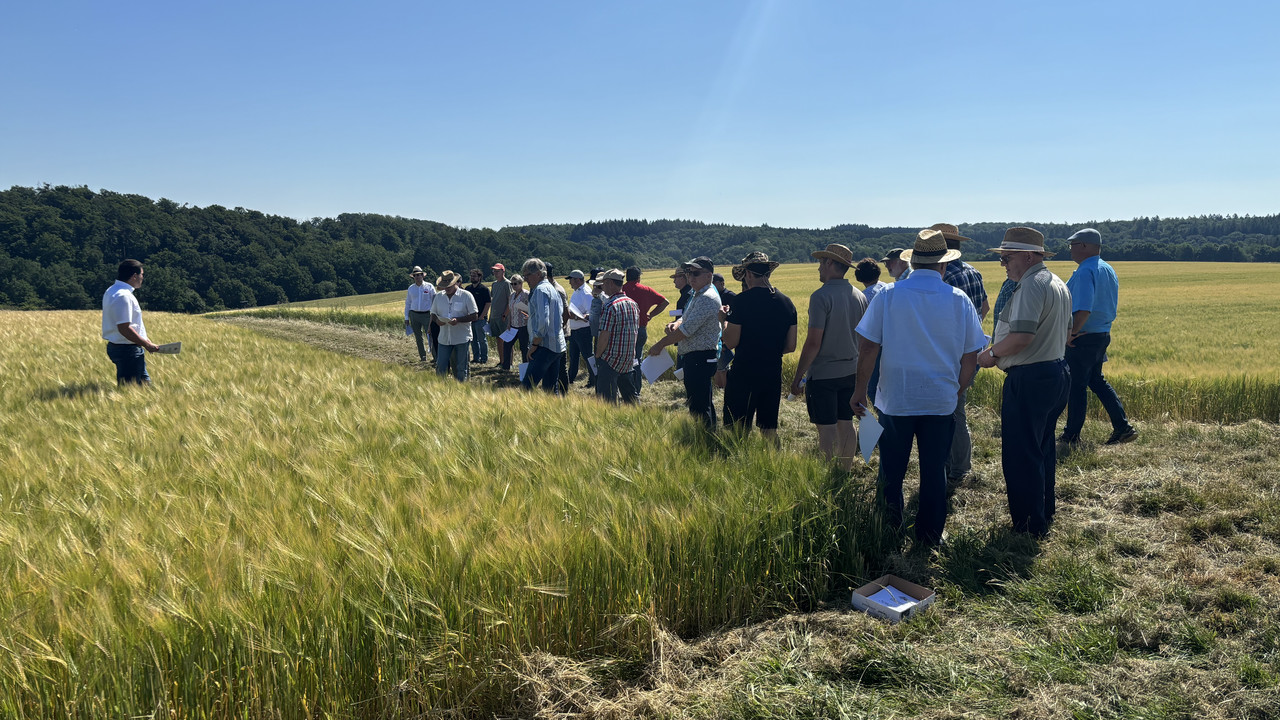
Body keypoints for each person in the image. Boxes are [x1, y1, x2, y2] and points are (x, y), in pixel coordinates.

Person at [851, 230, 985, 546]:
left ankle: (889, 528)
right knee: (934, 471)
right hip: (941, 400)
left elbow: (868, 348)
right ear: (943, 267)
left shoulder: (888, 296)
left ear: (914, 263)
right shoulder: (959, 299)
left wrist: (859, 391)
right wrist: (958, 391)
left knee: (891, 469)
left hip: (895, 398)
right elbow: (972, 356)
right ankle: (929, 536)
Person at [977, 227, 1072, 538]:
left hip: (1030, 377)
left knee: (1021, 455)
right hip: (1056, 372)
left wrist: (991, 353)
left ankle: (1029, 527)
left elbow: (1021, 337)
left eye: (1008, 257)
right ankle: (1043, 511)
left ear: (1029, 256)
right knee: (1042, 448)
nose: (1003, 263)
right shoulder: (1057, 283)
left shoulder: (1031, 286)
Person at [791, 244, 867, 469]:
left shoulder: (820, 297)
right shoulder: (860, 296)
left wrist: (798, 375)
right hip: (851, 371)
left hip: (823, 375)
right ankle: (844, 472)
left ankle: (827, 473)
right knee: (847, 423)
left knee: (826, 427)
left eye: (821, 263)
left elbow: (813, 342)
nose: (818, 269)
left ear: (831, 264)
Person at [1061, 228, 1137, 447]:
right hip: (1102, 334)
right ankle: (1122, 427)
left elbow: (1083, 309)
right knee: (1096, 380)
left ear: (1083, 246)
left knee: (1076, 385)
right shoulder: (1106, 268)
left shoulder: (1086, 271)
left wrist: (1071, 333)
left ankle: (1071, 435)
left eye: (1072, 245)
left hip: (1083, 336)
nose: (1070, 250)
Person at [931, 223, 990, 486]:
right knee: (958, 409)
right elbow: (985, 307)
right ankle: (960, 465)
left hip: (951, 354)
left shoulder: (943, 277)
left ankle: (956, 467)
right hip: (973, 351)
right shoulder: (973, 272)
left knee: (950, 411)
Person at [722, 252, 797, 442]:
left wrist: (723, 321)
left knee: (737, 430)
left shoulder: (740, 301)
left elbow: (731, 342)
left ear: (747, 274)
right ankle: (772, 463)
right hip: (772, 373)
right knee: (769, 429)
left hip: (744, 373)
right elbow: (791, 346)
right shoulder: (786, 302)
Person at [648, 257, 722, 429]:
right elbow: (686, 319)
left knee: (699, 405)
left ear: (709, 276)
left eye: (695, 273)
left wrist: (660, 345)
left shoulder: (707, 298)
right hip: (696, 357)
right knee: (701, 401)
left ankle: (703, 438)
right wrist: (676, 323)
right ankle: (707, 435)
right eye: (689, 273)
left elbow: (686, 331)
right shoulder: (698, 294)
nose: (691, 277)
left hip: (700, 357)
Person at [102, 259, 162, 385]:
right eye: (142, 275)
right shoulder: (124, 296)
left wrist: (145, 340)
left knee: (145, 386)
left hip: (121, 347)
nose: (142, 278)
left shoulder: (111, 290)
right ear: (134, 276)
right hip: (127, 350)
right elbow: (124, 328)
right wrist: (145, 344)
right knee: (129, 388)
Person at [594, 269, 641, 404]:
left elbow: (604, 335)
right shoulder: (633, 304)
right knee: (630, 397)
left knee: (607, 401)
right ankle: (636, 419)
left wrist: (598, 355)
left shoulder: (610, 306)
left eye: (603, 283)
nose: (602, 287)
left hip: (610, 359)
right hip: (627, 359)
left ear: (609, 283)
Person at [622, 267, 669, 399]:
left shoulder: (622, 290)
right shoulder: (646, 290)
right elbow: (665, 302)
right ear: (639, 277)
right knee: (637, 360)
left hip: (623, 331)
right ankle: (636, 390)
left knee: (623, 360)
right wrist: (650, 315)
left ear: (626, 277)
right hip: (641, 329)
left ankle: (625, 389)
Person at [521, 258, 566, 393]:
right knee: (551, 390)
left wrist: (534, 345)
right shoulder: (552, 289)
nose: (525, 279)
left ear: (538, 274)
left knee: (526, 388)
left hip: (543, 346)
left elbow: (543, 322)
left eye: (527, 275)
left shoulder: (540, 290)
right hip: (557, 345)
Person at [431, 271, 479, 382]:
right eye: (444, 286)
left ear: (455, 283)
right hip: (444, 338)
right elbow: (433, 313)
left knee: (461, 368)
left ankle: (462, 389)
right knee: (441, 366)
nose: (446, 288)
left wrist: (458, 320)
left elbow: (475, 315)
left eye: (449, 286)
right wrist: (437, 320)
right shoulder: (439, 297)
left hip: (461, 337)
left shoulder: (466, 295)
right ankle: (439, 389)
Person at [853, 257, 889, 405]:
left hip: (874, 346)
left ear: (859, 277)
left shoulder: (864, 296)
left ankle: (881, 420)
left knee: (872, 387)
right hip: (892, 344)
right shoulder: (887, 287)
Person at [566, 269, 597, 388]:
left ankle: (593, 380)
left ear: (578, 280)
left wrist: (579, 317)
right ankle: (570, 379)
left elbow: (591, 314)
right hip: (574, 330)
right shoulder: (577, 292)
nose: (570, 283)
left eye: (571, 280)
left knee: (588, 356)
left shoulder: (586, 293)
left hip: (583, 330)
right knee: (573, 356)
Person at [404, 266, 436, 362]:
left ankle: (435, 357)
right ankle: (423, 357)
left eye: (419, 275)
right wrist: (406, 317)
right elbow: (408, 303)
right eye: (415, 275)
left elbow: (435, 300)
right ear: (413, 277)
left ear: (423, 275)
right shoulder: (411, 288)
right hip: (414, 315)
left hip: (427, 315)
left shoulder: (429, 286)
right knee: (418, 337)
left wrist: (434, 314)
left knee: (430, 335)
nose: (417, 277)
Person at [490, 263, 513, 370]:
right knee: (498, 339)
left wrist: (505, 314)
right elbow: (493, 300)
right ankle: (502, 361)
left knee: (507, 340)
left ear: (503, 271)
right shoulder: (494, 284)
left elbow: (510, 300)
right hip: (494, 316)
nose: (495, 273)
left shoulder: (507, 284)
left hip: (503, 316)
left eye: (497, 271)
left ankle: (509, 363)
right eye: (494, 271)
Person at [466, 269, 492, 365]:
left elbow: (488, 303)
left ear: (479, 277)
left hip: (481, 319)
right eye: (471, 276)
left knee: (482, 339)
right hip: (471, 319)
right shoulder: (468, 289)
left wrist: (481, 316)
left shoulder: (484, 289)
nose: (472, 277)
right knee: (473, 340)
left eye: (474, 276)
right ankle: (476, 358)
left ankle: (484, 358)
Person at [505, 274, 531, 364]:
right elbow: (510, 310)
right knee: (507, 344)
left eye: (515, 284)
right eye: (511, 284)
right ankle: (506, 366)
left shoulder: (526, 294)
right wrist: (508, 323)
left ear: (521, 283)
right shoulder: (512, 295)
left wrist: (529, 315)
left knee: (524, 348)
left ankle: (525, 368)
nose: (513, 286)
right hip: (513, 325)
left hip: (523, 325)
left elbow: (532, 309)